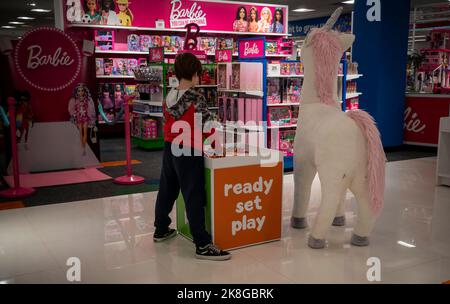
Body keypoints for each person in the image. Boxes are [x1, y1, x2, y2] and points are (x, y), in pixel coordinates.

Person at [154, 53, 231, 261]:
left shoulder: (168, 96)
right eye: (199, 73)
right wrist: (218, 148)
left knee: (167, 189)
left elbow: (168, 122)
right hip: (188, 150)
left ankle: (161, 228)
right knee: (193, 194)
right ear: (194, 73)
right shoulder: (196, 97)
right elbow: (208, 127)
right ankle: (203, 244)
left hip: (170, 147)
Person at [68, 84, 96, 156]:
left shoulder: (87, 100)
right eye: (79, 91)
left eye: (82, 91)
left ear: (84, 92)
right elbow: (71, 109)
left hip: (85, 117)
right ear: (76, 92)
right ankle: (82, 148)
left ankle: (84, 148)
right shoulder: (75, 100)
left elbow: (90, 108)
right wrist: (74, 114)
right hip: (79, 118)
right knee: (80, 133)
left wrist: (90, 115)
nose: (80, 92)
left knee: (85, 133)